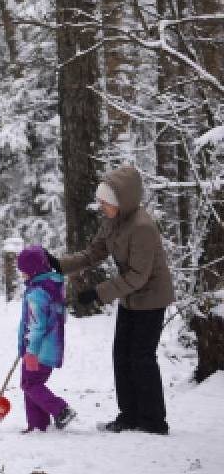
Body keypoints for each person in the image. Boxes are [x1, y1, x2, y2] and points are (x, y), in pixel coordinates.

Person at [47, 165, 174, 434]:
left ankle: (153, 421)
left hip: (151, 298)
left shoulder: (142, 228)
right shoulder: (113, 222)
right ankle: (129, 416)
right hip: (130, 297)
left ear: (121, 201)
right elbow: (93, 253)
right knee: (121, 355)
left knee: (141, 357)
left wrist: (98, 293)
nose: (101, 206)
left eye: (105, 202)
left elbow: (139, 276)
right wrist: (59, 264)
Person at [16, 245, 77, 433]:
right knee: (31, 384)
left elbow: (36, 326)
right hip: (51, 348)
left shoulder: (37, 293)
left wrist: (31, 350)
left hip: (38, 351)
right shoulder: (53, 287)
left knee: (30, 384)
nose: (22, 275)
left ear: (33, 270)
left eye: (24, 271)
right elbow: (61, 318)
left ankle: (61, 410)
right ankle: (38, 425)